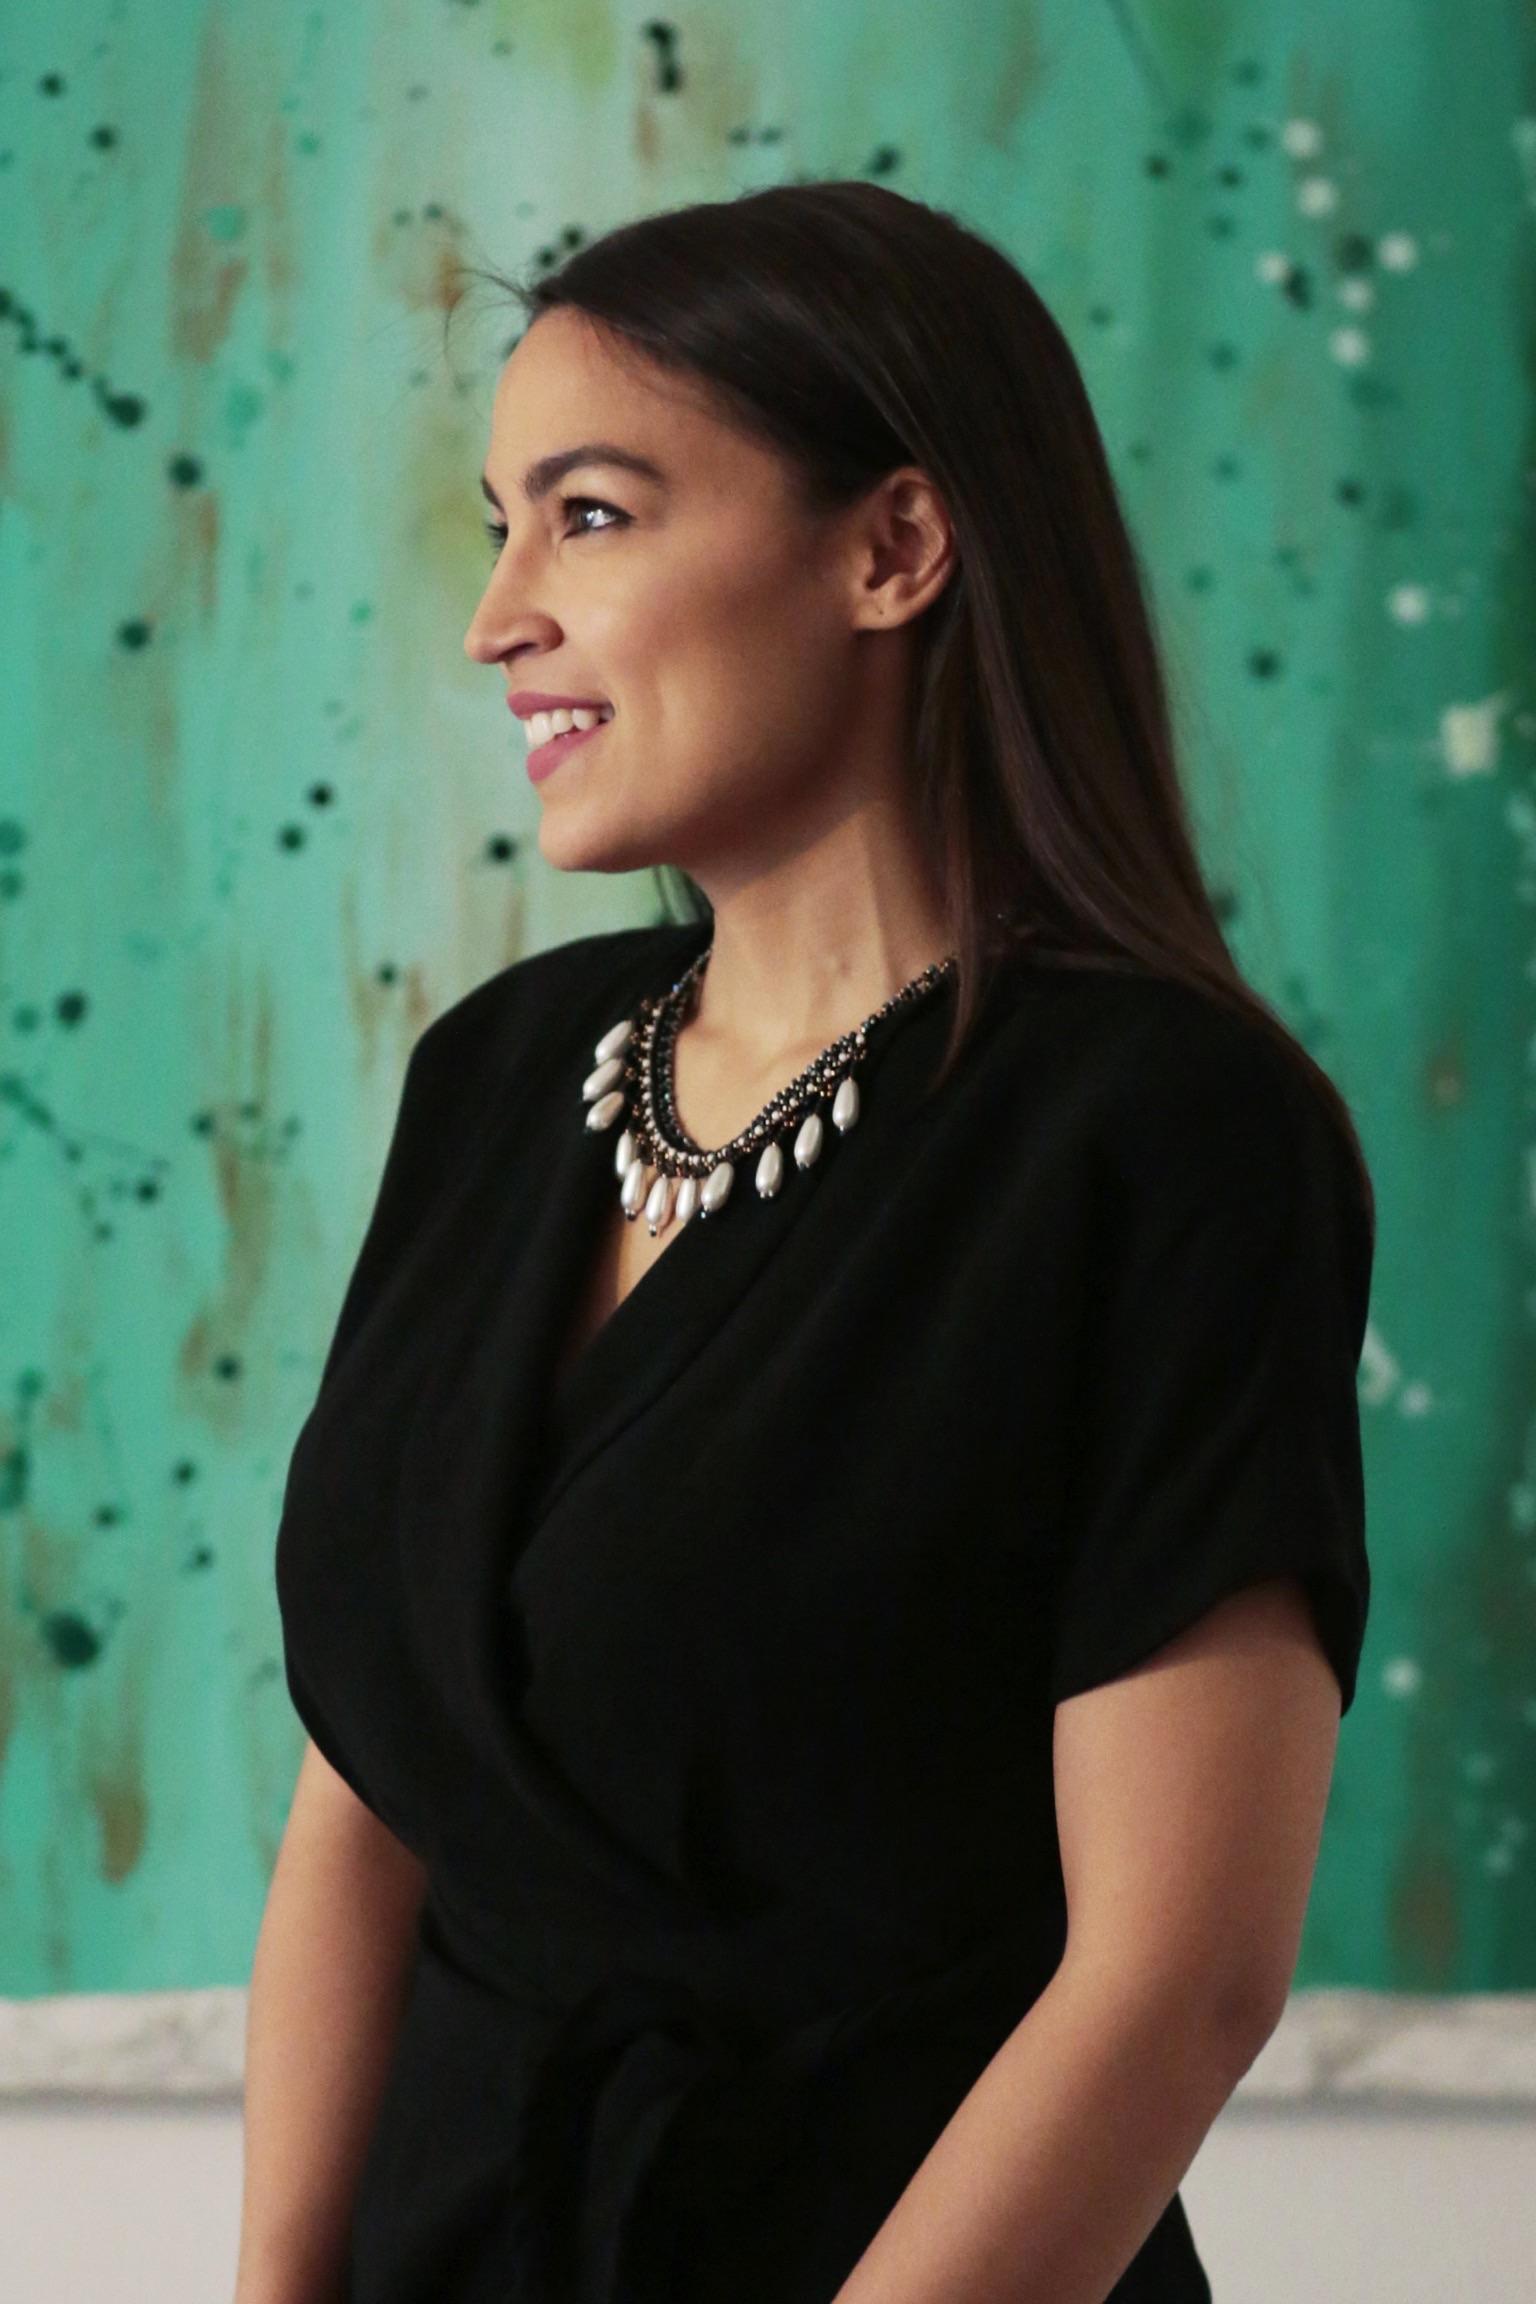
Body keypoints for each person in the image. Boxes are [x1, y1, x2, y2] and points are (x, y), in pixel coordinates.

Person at [239, 181, 1375, 2304]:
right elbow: (367, 1810)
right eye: (498, 526)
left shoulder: (1162, 1133)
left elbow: (1179, 1977)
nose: (496, 617)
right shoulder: (501, 1076)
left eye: (588, 516)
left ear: (894, 548)